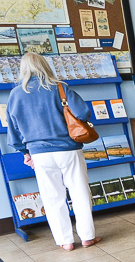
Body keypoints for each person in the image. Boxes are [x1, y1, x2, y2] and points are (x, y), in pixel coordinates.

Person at [6, 51, 100, 251]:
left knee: (52, 198)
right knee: (80, 193)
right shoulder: (60, 87)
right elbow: (83, 113)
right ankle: (87, 237)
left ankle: (66, 241)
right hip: (69, 149)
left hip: (39, 154)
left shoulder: (16, 94)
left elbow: (13, 129)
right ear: (45, 66)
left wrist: (24, 152)